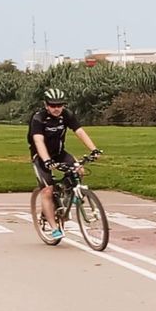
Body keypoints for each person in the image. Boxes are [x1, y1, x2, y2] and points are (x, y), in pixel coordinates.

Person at [28, 88, 102, 239]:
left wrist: (94, 149)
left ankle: (68, 196)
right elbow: (38, 140)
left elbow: (80, 131)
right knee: (47, 191)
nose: (57, 109)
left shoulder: (66, 115)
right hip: (41, 156)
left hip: (60, 153)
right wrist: (47, 161)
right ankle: (54, 228)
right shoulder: (38, 118)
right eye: (53, 105)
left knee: (79, 170)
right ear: (46, 105)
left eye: (60, 105)